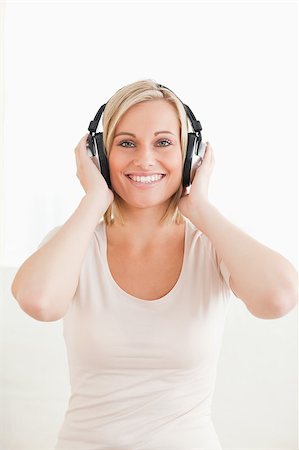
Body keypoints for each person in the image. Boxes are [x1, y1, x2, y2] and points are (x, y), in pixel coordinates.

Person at [11, 79, 298, 450]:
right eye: (126, 143)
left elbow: (279, 298)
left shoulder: (210, 246)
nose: (144, 158)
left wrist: (202, 209)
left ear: (190, 155)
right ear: (99, 155)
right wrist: (93, 200)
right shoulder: (75, 242)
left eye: (163, 142)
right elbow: (40, 302)